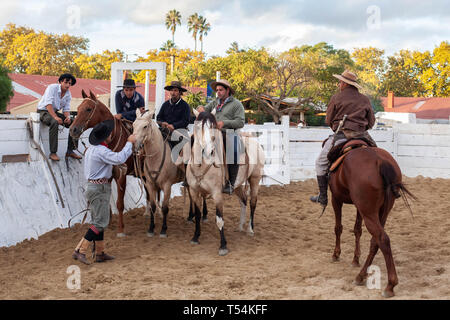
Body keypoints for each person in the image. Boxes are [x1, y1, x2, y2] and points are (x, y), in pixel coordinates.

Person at [72, 120, 137, 265]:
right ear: (105, 137)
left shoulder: (91, 149)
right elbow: (119, 158)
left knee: (98, 221)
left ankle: (99, 252)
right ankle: (80, 250)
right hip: (100, 189)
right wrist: (129, 143)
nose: (110, 135)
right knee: (100, 222)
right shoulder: (102, 151)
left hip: (94, 187)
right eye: (109, 134)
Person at [310, 70, 376, 207]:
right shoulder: (365, 99)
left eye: (340, 81)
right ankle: (390, 186)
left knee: (320, 163)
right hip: (363, 136)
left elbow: (328, 120)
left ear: (345, 84)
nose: (339, 84)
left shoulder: (336, 98)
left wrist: (336, 126)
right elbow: (371, 123)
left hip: (342, 135)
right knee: (377, 157)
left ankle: (322, 197)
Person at [197, 79, 245, 194]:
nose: (218, 92)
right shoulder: (215, 102)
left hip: (229, 133)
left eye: (221, 90)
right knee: (196, 143)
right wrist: (200, 108)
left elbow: (240, 122)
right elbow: (203, 108)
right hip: (213, 132)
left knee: (232, 150)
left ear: (227, 90)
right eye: (217, 90)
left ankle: (230, 183)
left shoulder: (237, 104)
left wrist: (224, 123)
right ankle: (192, 176)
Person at [36, 73, 81, 161]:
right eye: (66, 82)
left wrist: (67, 117)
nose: (68, 85)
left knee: (75, 123)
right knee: (54, 121)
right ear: (60, 82)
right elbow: (48, 104)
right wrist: (55, 117)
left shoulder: (68, 94)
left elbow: (66, 109)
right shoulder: (52, 88)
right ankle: (53, 153)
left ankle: (70, 151)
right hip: (43, 111)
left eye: (70, 83)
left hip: (54, 112)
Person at [156, 81, 191, 149]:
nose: (173, 92)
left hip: (179, 131)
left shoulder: (185, 105)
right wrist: (162, 123)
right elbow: (159, 117)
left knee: (182, 147)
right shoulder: (165, 104)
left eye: (175, 90)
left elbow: (185, 121)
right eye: (171, 90)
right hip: (164, 130)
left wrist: (174, 126)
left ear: (180, 92)